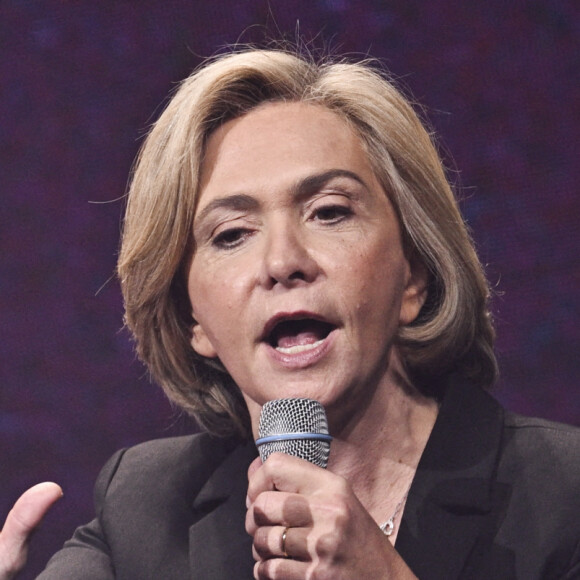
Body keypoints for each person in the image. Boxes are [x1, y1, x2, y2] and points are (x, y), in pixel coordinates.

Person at [2, 47, 579, 579]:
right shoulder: (145, 511)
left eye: (329, 211)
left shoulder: (564, 495)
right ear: (192, 319)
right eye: (231, 235)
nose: (282, 262)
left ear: (414, 273)